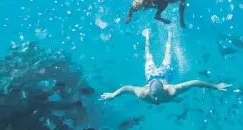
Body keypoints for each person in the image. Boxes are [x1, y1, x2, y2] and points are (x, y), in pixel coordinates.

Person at [99, 29, 231, 104]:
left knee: (167, 52)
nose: (156, 99)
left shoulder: (172, 90)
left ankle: (170, 33)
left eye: (158, 95)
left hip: (164, 74)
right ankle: (147, 37)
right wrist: (113, 94)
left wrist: (215, 86)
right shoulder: (143, 93)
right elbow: (126, 88)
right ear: (149, 91)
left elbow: (193, 82)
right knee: (148, 54)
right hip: (152, 76)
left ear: (164, 90)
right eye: (154, 96)